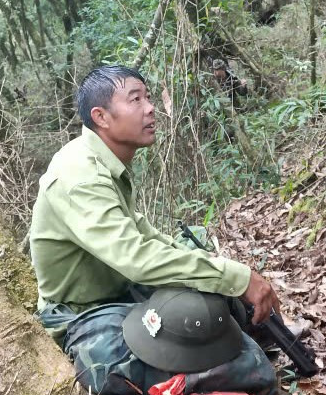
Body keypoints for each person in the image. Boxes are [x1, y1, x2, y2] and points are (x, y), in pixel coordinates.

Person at [29, 65, 278, 326]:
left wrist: (224, 273)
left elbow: (149, 238)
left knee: (209, 289)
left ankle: (260, 335)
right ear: (101, 117)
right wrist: (236, 277)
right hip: (80, 314)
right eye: (135, 99)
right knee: (195, 325)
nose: (150, 107)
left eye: (148, 97)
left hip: (120, 292)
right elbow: (137, 258)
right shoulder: (79, 175)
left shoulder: (104, 163)